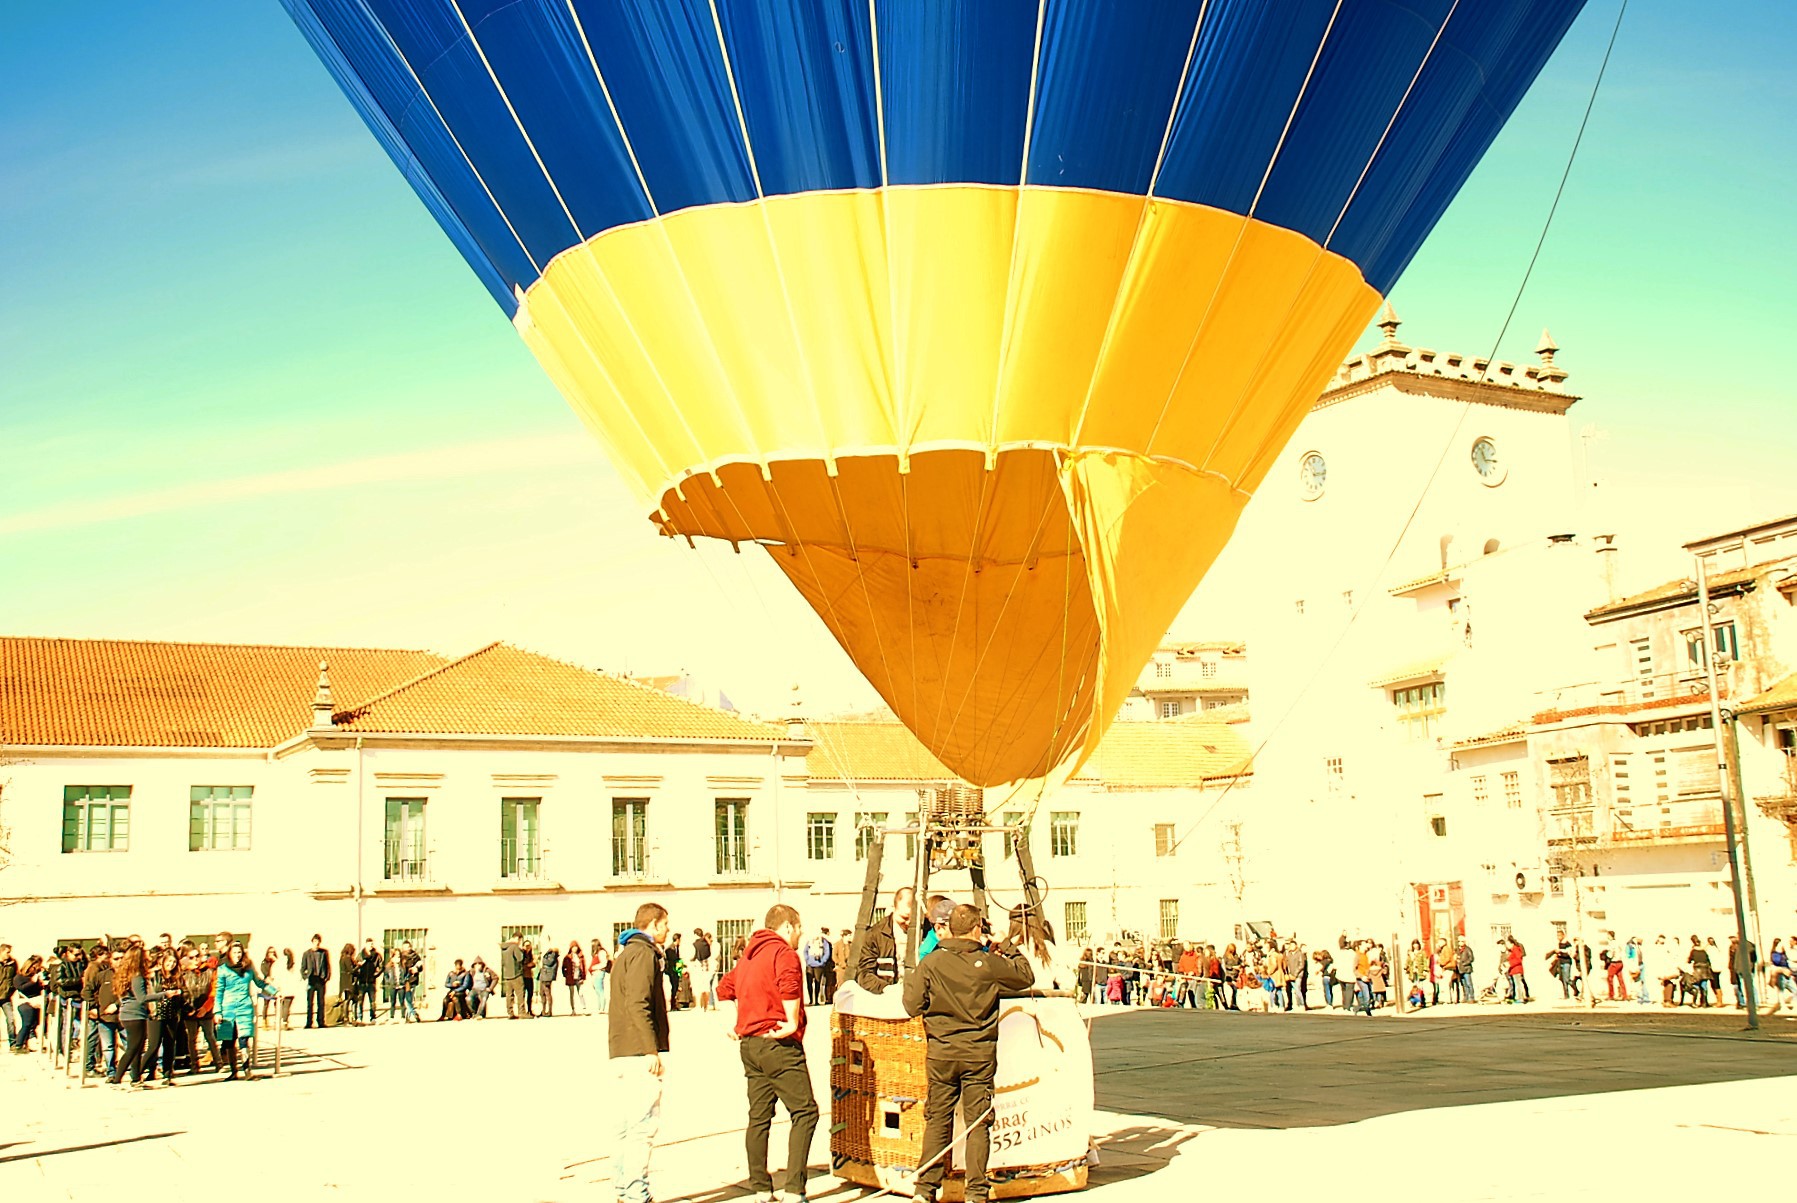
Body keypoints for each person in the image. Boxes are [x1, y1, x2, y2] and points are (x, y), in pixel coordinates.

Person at [903, 905, 1034, 1203]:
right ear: (977, 929)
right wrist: (1005, 944)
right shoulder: (987, 962)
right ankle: (975, 1192)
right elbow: (1025, 976)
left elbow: (911, 1006)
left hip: (942, 1052)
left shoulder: (932, 962)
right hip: (978, 1053)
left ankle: (925, 1189)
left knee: (938, 1119)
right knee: (978, 1123)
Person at [717, 904, 818, 1203]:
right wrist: (790, 1021)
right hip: (779, 1045)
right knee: (805, 1112)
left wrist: (731, 1023)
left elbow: (724, 989)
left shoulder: (748, 956)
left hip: (750, 1045)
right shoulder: (783, 953)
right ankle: (794, 1189)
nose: (800, 934)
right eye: (799, 928)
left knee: (759, 1117)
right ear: (788, 926)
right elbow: (790, 987)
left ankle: (761, 1187)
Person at [611, 903, 672, 1203]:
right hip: (637, 1051)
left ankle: (624, 1188)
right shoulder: (643, 954)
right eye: (665, 925)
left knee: (626, 1125)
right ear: (653, 924)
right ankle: (637, 1193)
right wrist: (651, 1049)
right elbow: (638, 1003)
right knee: (642, 1126)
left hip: (622, 1048)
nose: (668, 931)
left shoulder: (625, 954)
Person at [110, 945, 179, 1086]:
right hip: (135, 1014)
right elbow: (142, 997)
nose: (148, 957)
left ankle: (136, 1079)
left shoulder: (126, 974)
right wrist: (165, 994)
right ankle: (117, 1079)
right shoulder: (137, 976)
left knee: (137, 1048)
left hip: (129, 1014)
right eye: (145, 955)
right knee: (132, 1049)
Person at [213, 941, 276, 1080]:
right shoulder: (223, 969)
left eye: (239, 952)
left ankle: (247, 1070)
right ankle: (233, 1071)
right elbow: (219, 991)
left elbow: (260, 983)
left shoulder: (248, 969)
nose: (237, 955)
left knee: (244, 1039)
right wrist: (217, 1012)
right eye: (234, 952)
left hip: (244, 1007)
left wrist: (275, 991)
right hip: (227, 1008)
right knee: (228, 1040)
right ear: (229, 953)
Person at [852, 888, 916, 992]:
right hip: (886, 995)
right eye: (904, 917)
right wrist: (887, 989)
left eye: (912, 919)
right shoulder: (875, 934)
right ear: (894, 909)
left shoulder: (925, 931)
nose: (908, 923)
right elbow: (865, 974)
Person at [180, 948, 221, 1075]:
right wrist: (188, 1008)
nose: (195, 960)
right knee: (191, 1039)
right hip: (190, 1011)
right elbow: (182, 993)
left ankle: (219, 1063)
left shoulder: (210, 971)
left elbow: (214, 991)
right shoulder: (183, 974)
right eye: (191, 957)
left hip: (205, 1009)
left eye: (197, 956)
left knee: (210, 1037)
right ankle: (194, 1066)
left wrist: (206, 1008)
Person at [82, 944, 120, 1077]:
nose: (119, 961)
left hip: (121, 1015)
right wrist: (93, 1007)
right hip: (102, 1013)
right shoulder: (96, 970)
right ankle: (91, 1066)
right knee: (98, 1040)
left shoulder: (128, 975)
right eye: (116, 958)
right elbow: (88, 990)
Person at [9, 955, 44, 1052]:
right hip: (25, 1003)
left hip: (36, 1002)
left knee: (34, 1024)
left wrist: (41, 983)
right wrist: (32, 981)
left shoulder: (36, 976)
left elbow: (39, 989)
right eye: (36, 967)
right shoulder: (19, 977)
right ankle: (18, 1045)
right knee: (27, 1024)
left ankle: (27, 1044)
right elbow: (21, 988)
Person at [300, 934, 331, 1029]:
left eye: (318, 942)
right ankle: (309, 1022)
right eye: (315, 942)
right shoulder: (307, 953)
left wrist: (327, 977)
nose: (316, 944)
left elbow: (328, 966)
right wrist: (305, 976)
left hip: (321, 980)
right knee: (310, 1002)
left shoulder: (324, 953)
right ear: (312, 942)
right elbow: (302, 967)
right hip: (311, 979)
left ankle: (321, 1021)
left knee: (321, 1002)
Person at [802, 929, 834, 1007]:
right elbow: (805, 951)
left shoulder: (823, 942)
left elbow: (827, 952)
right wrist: (807, 960)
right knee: (809, 983)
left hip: (819, 965)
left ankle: (816, 999)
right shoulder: (809, 942)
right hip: (810, 964)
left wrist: (822, 961)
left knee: (817, 982)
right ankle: (811, 999)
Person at [356, 938, 383, 1023]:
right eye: (369, 944)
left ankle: (373, 1017)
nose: (371, 946)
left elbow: (382, 967)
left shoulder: (377, 956)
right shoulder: (360, 955)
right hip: (362, 981)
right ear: (366, 944)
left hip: (371, 982)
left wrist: (376, 975)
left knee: (373, 1001)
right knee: (360, 1001)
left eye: (372, 944)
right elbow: (356, 966)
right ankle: (359, 1017)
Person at [501, 935, 528, 1018]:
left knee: (509, 995)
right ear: (517, 938)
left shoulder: (503, 948)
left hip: (506, 974)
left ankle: (510, 1012)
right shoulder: (514, 947)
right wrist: (522, 950)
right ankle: (522, 1012)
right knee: (520, 994)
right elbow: (520, 958)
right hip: (516, 974)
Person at [689, 929, 713, 1012]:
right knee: (706, 987)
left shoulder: (694, 944)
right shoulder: (706, 944)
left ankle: (699, 1006)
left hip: (697, 966)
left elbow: (692, 956)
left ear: (695, 934)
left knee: (697, 987)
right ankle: (705, 1006)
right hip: (706, 966)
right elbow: (709, 954)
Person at [563, 940, 587, 1015]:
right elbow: (563, 967)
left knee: (580, 993)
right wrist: (566, 975)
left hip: (578, 977)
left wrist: (583, 976)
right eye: (573, 947)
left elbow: (584, 966)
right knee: (571, 994)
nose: (575, 948)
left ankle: (583, 1008)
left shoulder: (580, 956)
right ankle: (573, 1009)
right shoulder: (567, 957)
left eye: (576, 947)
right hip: (571, 977)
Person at [536, 941, 561, 1016]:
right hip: (544, 975)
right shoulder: (550, 954)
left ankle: (549, 1011)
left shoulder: (552, 954)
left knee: (547, 993)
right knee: (542, 993)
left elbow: (548, 963)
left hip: (547, 976)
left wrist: (540, 958)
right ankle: (543, 1010)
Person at [0, 943, 17, 1048]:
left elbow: (14, 977)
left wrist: (11, 989)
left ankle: (13, 1042)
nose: (9, 954)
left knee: (10, 1019)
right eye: (7, 952)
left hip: (6, 996)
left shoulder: (12, 963)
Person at [337, 943, 358, 1025]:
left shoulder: (341, 958)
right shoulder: (347, 958)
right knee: (350, 999)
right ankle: (348, 1018)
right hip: (348, 981)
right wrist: (358, 966)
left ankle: (345, 1017)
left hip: (343, 981)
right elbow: (351, 970)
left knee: (346, 999)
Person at [590, 941, 611, 1015]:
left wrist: (594, 967)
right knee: (597, 990)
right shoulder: (596, 953)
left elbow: (604, 963)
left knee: (600, 990)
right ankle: (599, 1007)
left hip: (599, 972)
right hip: (595, 973)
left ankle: (602, 1007)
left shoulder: (601, 952)